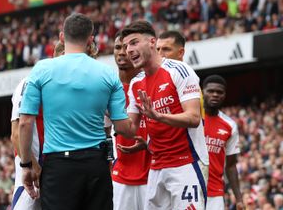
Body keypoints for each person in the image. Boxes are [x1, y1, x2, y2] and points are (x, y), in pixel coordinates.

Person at [18, 13, 136, 210]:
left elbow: (25, 123)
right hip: (95, 165)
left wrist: (26, 165)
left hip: (58, 166)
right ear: (91, 39)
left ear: (62, 37)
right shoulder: (108, 73)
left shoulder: (41, 70)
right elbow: (124, 128)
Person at [121, 21, 209, 210]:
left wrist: (157, 116)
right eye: (126, 45)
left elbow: (193, 118)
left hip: (187, 162)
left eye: (134, 43)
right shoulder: (136, 82)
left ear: (152, 42)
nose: (129, 50)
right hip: (157, 165)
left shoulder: (179, 70)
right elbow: (130, 128)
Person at [10, 40, 66, 210]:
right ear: (56, 56)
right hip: (33, 176)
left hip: (60, 175)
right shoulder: (30, 83)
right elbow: (17, 134)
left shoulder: (68, 89)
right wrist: (34, 167)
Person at [111, 31, 151, 210]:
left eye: (126, 47)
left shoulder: (150, 83)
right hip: (119, 177)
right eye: (117, 47)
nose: (121, 52)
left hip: (152, 174)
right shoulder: (107, 89)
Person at [202, 75, 244, 210]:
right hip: (189, 188)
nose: (215, 95)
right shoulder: (190, 118)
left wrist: (239, 199)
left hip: (214, 193)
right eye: (211, 91)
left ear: (224, 95)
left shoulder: (230, 125)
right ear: (202, 92)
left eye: (219, 92)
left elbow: (231, 166)